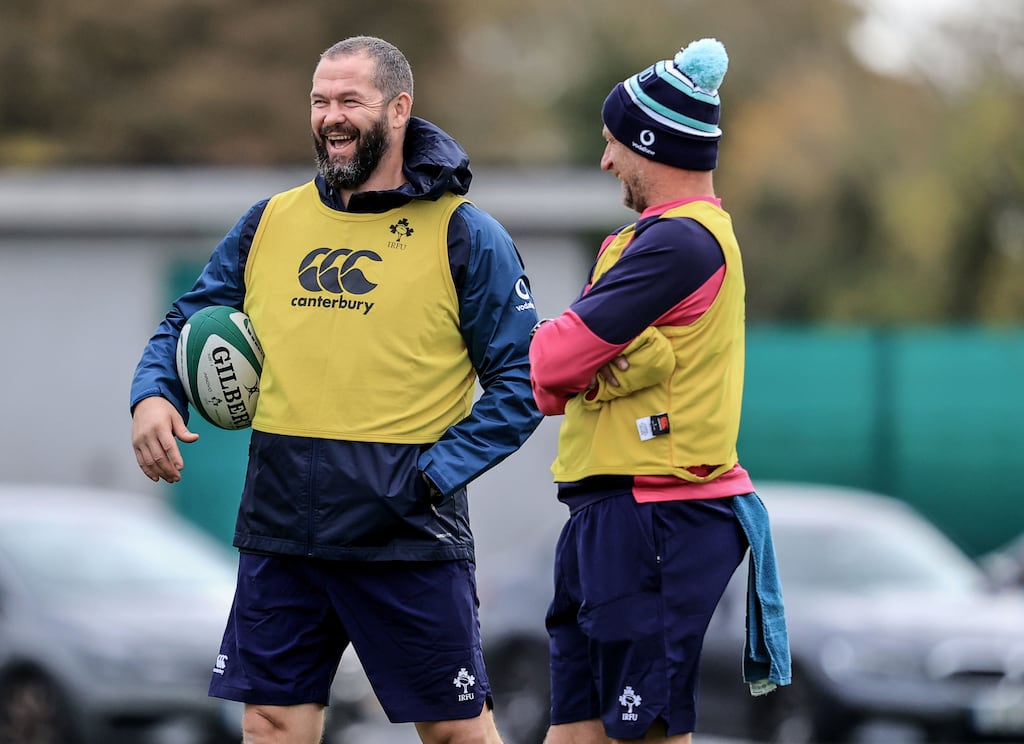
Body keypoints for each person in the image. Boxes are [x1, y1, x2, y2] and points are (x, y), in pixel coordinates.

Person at [130, 35, 543, 744]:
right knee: (270, 723)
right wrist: (154, 393)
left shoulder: (465, 236)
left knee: (453, 732)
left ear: (399, 107)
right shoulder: (269, 222)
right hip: (282, 521)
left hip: (405, 530)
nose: (331, 116)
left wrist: (432, 477)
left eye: (350, 99)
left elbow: (524, 380)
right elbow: (191, 316)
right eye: (320, 101)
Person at [529, 38, 790, 744]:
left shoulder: (681, 243)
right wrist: (589, 359)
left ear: (652, 144)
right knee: (577, 733)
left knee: (645, 734)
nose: (607, 160)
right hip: (609, 509)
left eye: (615, 143)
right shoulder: (644, 242)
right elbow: (552, 384)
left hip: (657, 514)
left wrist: (576, 357)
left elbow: (551, 361)